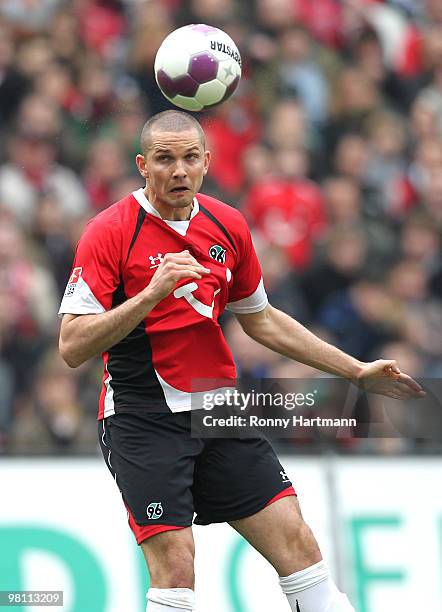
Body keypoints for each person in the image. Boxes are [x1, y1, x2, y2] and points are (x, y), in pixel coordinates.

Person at [58, 110, 424, 612]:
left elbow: (263, 320)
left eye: (190, 158)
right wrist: (150, 294)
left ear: (207, 162)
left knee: (299, 545)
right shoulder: (110, 231)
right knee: (176, 568)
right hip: (142, 417)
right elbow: (72, 344)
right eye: (165, 159)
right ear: (143, 165)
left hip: (217, 407)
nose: (179, 171)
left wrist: (355, 370)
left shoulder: (227, 224)